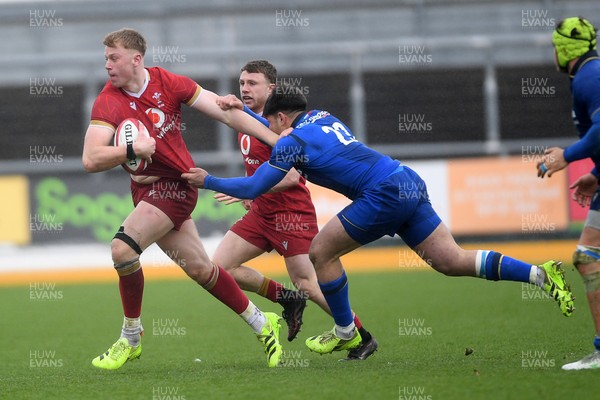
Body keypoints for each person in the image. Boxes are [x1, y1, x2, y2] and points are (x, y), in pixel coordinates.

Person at [182, 86, 575, 357]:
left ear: (282, 117)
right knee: (451, 261)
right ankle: (540, 275)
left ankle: (346, 333)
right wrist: (246, 111)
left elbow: (254, 188)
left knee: (320, 253)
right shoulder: (323, 116)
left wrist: (208, 180)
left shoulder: (289, 142)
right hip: (406, 182)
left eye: (268, 122)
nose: (266, 129)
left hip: (381, 194)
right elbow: (287, 133)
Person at [82, 28, 286, 369]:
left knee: (122, 249)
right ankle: (262, 322)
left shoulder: (168, 82)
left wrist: (273, 138)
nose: (107, 65)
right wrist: (131, 149)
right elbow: (90, 159)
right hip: (145, 192)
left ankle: (131, 337)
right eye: (105, 58)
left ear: (136, 59)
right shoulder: (107, 100)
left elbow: (223, 112)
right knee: (201, 269)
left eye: (113, 58)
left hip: (175, 187)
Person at [210, 60, 378, 359]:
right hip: (261, 214)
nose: (245, 88)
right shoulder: (246, 122)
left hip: (291, 215)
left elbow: (291, 177)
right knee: (220, 268)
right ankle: (285, 298)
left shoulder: (282, 128)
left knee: (309, 284)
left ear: (271, 88)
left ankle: (362, 336)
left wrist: (251, 187)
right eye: (242, 83)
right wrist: (252, 194)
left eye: (252, 83)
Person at [536, 16, 600, 370]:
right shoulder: (588, 75)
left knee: (589, 255)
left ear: (564, 49)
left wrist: (567, 157)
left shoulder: (590, 76)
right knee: (587, 255)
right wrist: (595, 175)